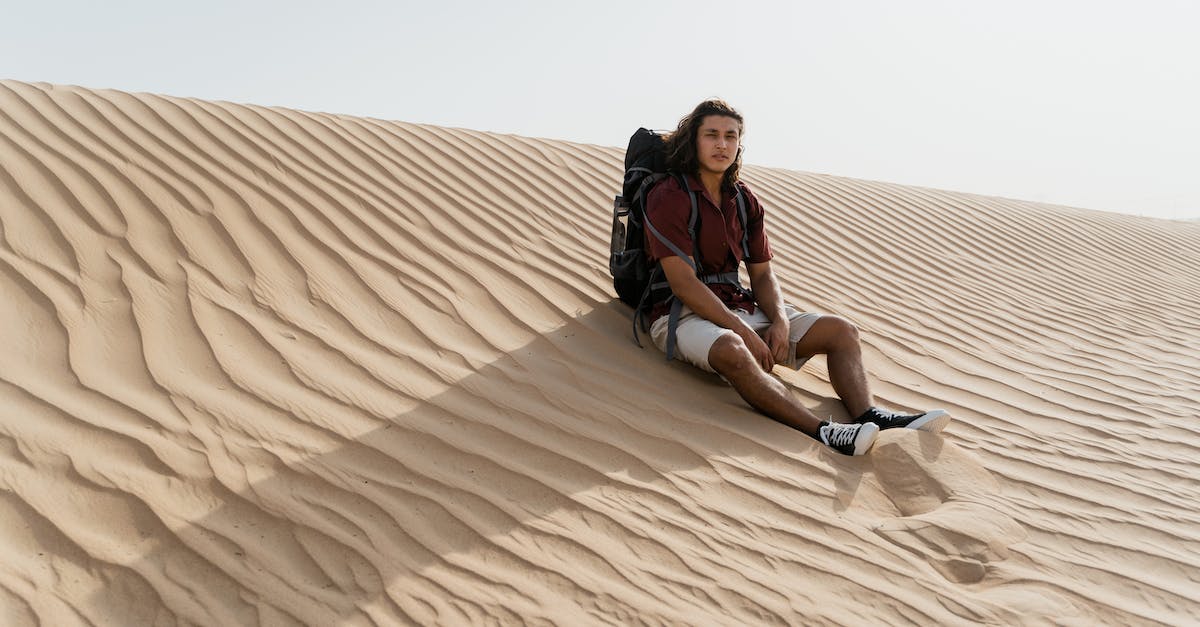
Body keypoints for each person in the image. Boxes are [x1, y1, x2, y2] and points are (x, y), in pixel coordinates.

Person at [643, 99, 950, 455]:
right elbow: (684, 283)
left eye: (731, 136)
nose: (721, 144)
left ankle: (870, 414)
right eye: (711, 135)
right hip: (679, 313)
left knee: (841, 330)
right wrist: (743, 332)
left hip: (737, 304)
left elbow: (762, 273)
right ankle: (822, 432)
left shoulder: (743, 199)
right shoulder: (669, 196)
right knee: (733, 348)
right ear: (693, 141)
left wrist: (779, 322)